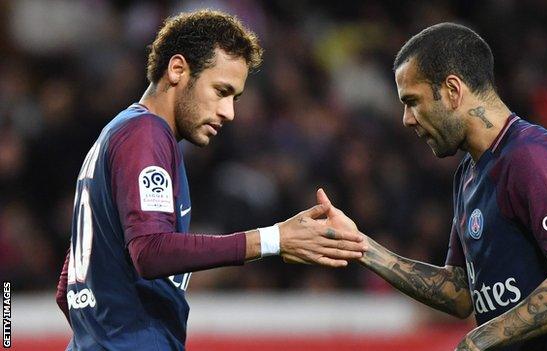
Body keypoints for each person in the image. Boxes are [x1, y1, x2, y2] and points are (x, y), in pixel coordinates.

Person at [55, 10, 366, 351]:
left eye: (235, 98)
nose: (228, 112)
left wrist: (97, 337)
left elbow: (66, 286)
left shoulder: (116, 135)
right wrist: (274, 239)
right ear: (177, 70)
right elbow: (151, 251)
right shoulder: (146, 134)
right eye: (221, 91)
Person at [318, 23, 547, 350]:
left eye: (413, 101)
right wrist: (362, 247)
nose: (407, 118)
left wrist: (479, 339)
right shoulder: (469, 173)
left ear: (453, 90)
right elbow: (460, 293)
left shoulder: (529, 155)